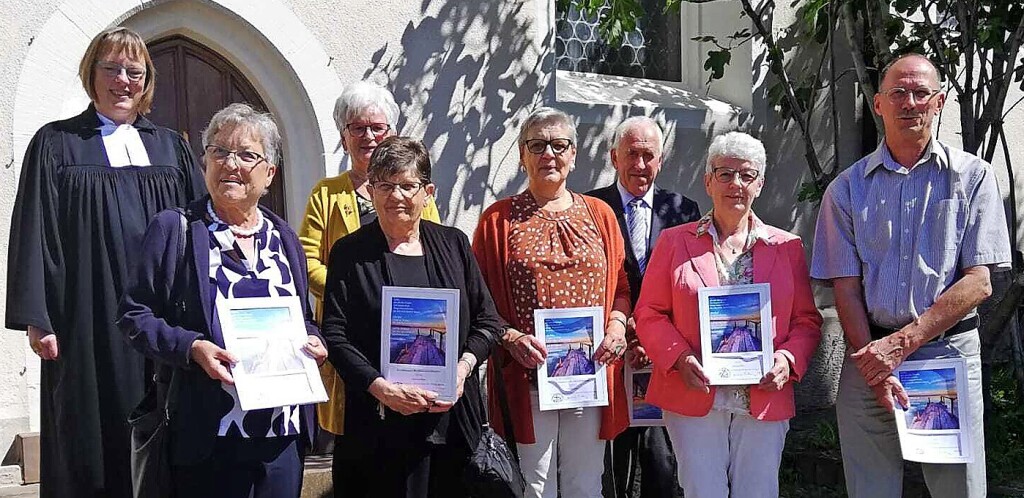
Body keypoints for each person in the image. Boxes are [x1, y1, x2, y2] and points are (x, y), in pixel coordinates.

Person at [4, 27, 204, 498]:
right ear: (91, 74)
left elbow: (200, 225)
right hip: (86, 318)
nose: (123, 80)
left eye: (134, 71)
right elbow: (36, 229)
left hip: (161, 318)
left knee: (164, 433)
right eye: (111, 68)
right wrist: (39, 318)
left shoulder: (171, 148)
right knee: (90, 434)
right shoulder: (57, 144)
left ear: (147, 81)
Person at [811, 53, 1010, 498]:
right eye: (898, 93)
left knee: (957, 488)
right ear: (878, 104)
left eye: (921, 93)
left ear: (938, 103)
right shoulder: (846, 189)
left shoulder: (972, 178)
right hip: (867, 353)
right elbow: (845, 286)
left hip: (945, 354)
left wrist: (903, 344)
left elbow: (979, 281)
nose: (910, 102)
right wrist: (874, 362)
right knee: (869, 487)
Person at [118, 103, 327, 496]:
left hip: (281, 434)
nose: (231, 163)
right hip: (209, 433)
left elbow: (302, 319)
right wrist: (192, 346)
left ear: (270, 174)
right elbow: (133, 316)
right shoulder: (175, 229)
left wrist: (314, 340)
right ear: (204, 163)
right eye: (219, 152)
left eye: (247, 155)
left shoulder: (285, 239)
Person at [634, 131, 822, 498]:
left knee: (759, 491)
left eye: (747, 175)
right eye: (725, 173)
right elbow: (649, 313)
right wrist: (678, 357)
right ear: (708, 181)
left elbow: (806, 320)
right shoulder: (675, 242)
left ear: (760, 184)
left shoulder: (786, 246)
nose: (736, 184)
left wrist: (787, 358)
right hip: (695, 391)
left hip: (764, 392)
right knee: (703, 491)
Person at [319, 136, 502, 497]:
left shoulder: (453, 244)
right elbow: (336, 335)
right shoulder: (349, 252)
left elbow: (487, 321)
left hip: (452, 423)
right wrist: (380, 388)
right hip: (378, 426)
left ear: (427, 191)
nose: (396, 196)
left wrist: (461, 370)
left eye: (407, 185)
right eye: (385, 185)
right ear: (370, 189)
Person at [473, 107, 632, 498]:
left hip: (588, 374)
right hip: (529, 375)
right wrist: (510, 338)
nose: (549, 154)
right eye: (537, 145)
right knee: (534, 485)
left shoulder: (602, 215)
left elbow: (622, 288)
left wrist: (616, 325)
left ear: (573, 154)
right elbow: (479, 299)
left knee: (586, 483)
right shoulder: (498, 221)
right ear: (522, 155)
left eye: (559, 145)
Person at [298, 82, 440, 451]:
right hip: (351, 338)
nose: (369, 136)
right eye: (357, 128)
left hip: (409, 330)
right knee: (359, 450)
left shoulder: (415, 190)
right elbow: (305, 259)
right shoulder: (327, 193)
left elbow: (434, 254)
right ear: (344, 138)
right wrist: (355, 290)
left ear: (391, 132)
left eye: (378, 127)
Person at [586, 116, 700, 498]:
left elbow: (692, 284)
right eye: (630, 154)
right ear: (613, 157)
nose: (639, 164)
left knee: (662, 461)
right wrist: (623, 331)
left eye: (647, 155)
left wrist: (654, 338)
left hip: (663, 355)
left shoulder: (684, 210)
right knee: (610, 464)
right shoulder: (590, 208)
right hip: (609, 351)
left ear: (660, 160)